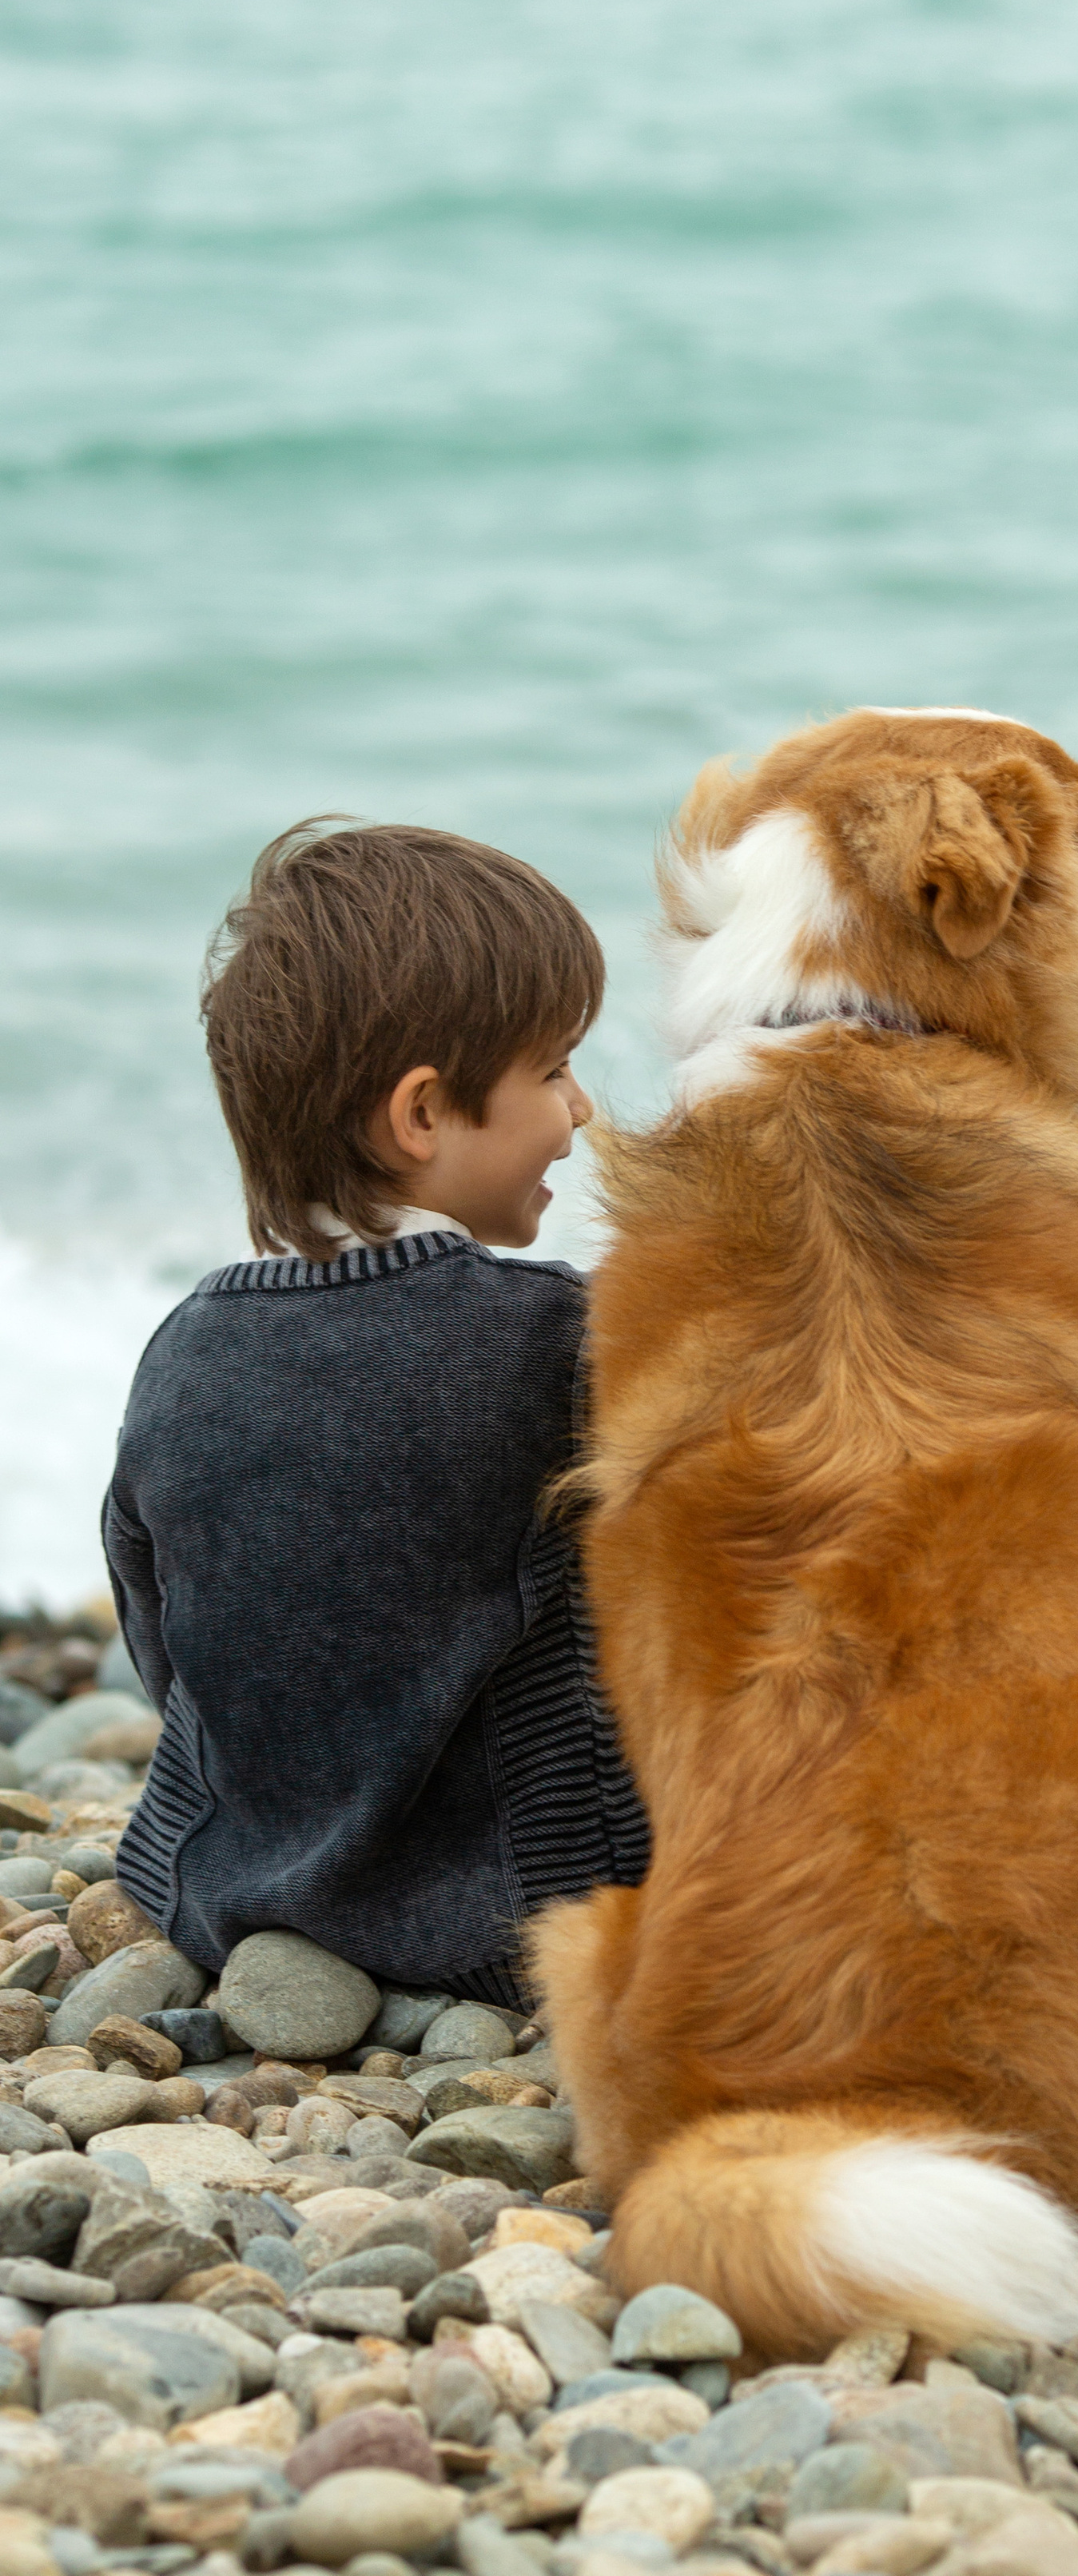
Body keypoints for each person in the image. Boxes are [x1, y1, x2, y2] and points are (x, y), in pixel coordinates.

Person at [102, 819, 648, 2009]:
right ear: (422, 1115)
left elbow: (158, 1624)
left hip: (216, 1889)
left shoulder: (183, 1346)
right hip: (529, 1910)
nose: (581, 1109)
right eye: (554, 1070)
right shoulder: (557, 1339)